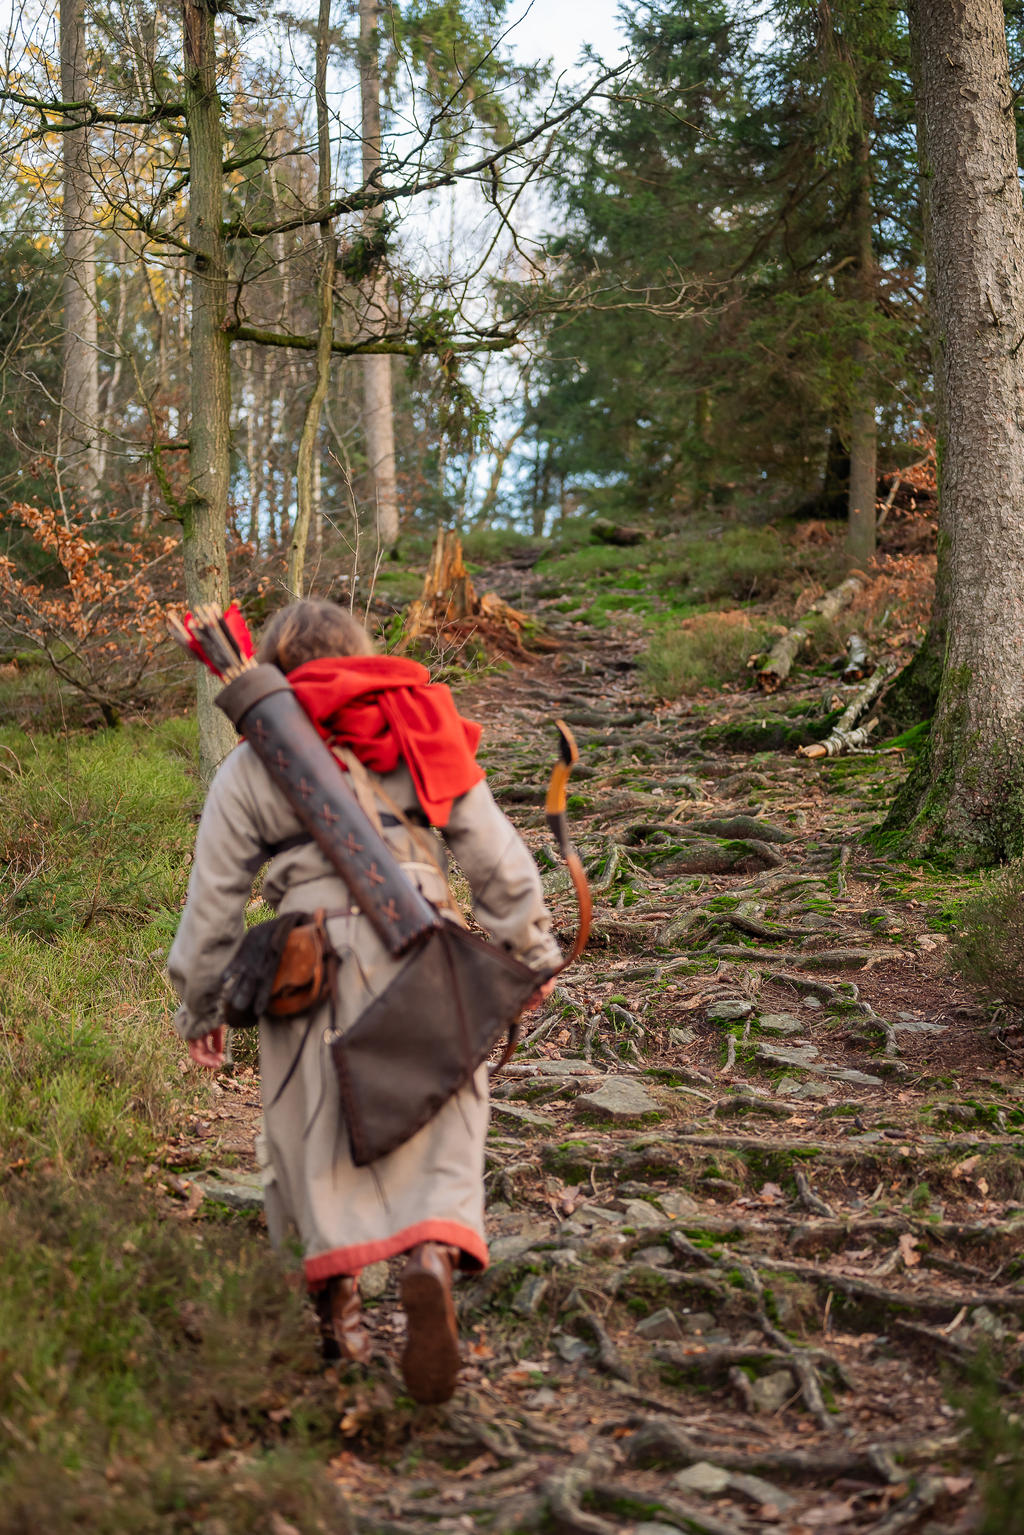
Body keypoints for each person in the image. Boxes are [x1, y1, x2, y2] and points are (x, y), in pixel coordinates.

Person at [168, 599, 560, 1404]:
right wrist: (532, 947)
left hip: (308, 967)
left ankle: (340, 1309)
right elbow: (495, 854)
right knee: (442, 1115)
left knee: (311, 1131)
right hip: (425, 954)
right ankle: (430, 1258)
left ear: (275, 664)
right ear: (360, 651)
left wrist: (201, 1005)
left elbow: (214, 899)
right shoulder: (420, 724)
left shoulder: (250, 763)